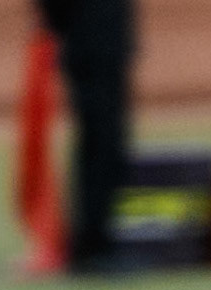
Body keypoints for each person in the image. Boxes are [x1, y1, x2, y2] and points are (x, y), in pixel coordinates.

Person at [34, 0, 135, 272]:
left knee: (102, 143)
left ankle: (94, 240)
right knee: (101, 144)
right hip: (93, 46)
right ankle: (92, 246)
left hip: (97, 44)